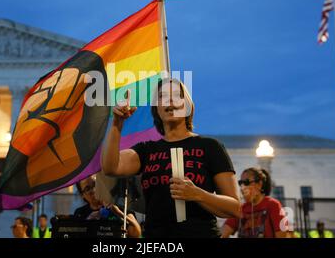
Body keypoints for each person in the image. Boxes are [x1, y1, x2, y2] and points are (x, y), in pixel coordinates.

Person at [102, 78, 240, 238]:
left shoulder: (210, 146)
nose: (170, 100)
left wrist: (197, 194)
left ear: (187, 106)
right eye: (162, 96)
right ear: (156, 109)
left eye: (177, 95)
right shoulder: (147, 150)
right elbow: (111, 167)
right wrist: (117, 125)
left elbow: (234, 208)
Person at [221, 167, 288, 238]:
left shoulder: (273, 205)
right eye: (240, 183)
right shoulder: (241, 209)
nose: (242, 187)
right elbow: (224, 232)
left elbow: (282, 235)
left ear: (259, 184)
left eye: (246, 182)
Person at [74, 175, 142, 238]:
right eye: (87, 189)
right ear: (82, 195)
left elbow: (136, 234)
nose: (94, 190)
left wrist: (118, 213)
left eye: (95, 184)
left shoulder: (119, 207)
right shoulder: (80, 213)